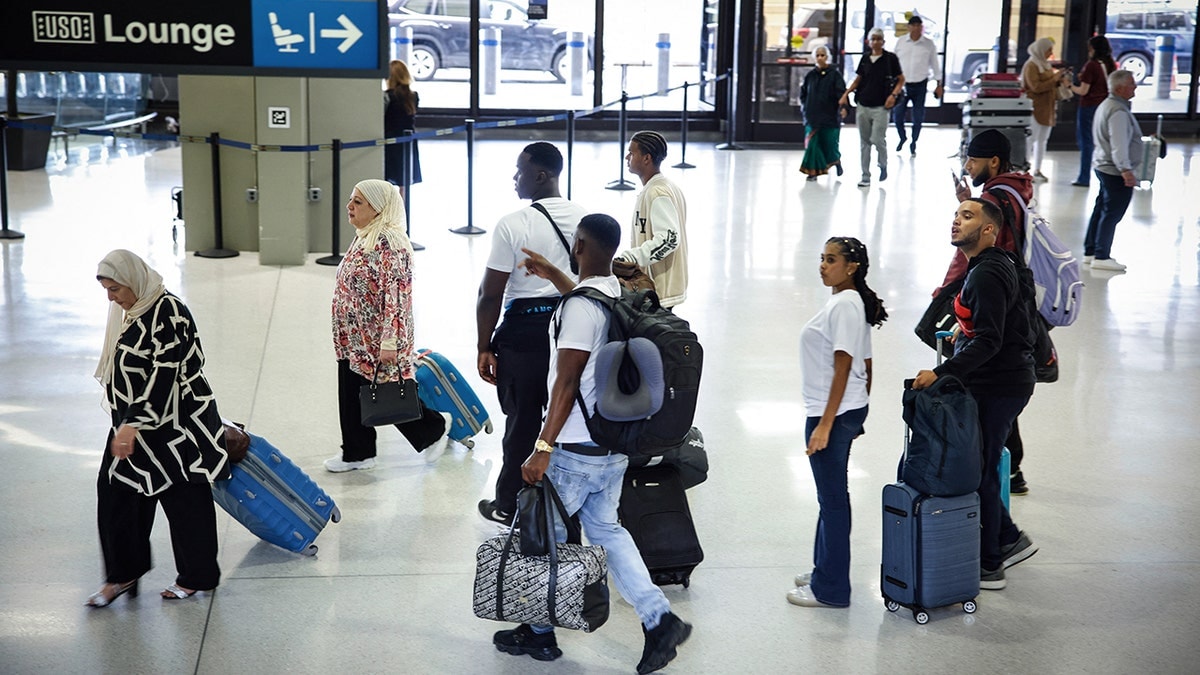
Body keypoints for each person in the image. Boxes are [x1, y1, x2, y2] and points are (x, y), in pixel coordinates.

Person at [492, 214, 692, 673]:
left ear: (579, 243)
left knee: (544, 538)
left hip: (574, 450)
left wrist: (542, 447)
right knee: (606, 533)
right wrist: (555, 274)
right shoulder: (615, 291)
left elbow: (564, 384)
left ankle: (540, 633)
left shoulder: (579, 309)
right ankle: (660, 620)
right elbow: (587, 304)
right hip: (613, 446)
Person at [90, 249, 230, 606]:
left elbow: (164, 375)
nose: (112, 298)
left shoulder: (169, 312)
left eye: (116, 289)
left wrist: (133, 424)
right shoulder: (128, 314)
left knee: (185, 502)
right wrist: (127, 423)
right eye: (107, 290)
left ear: (135, 280)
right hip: (132, 426)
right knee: (116, 496)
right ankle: (122, 575)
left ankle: (197, 577)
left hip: (176, 428)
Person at [913, 199, 1039, 590]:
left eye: (967, 217)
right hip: (1006, 379)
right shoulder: (996, 264)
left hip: (1000, 384)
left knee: (981, 471)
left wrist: (941, 373)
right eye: (956, 215)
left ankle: (991, 562)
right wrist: (961, 333)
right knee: (981, 466)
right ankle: (1007, 539)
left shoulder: (985, 274)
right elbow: (1004, 322)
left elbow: (990, 338)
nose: (956, 221)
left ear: (989, 230)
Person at [475, 142, 588, 525]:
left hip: (523, 331)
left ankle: (510, 503)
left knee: (522, 419)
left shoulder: (514, 223)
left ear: (541, 175)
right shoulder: (584, 220)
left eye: (520, 170)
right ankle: (566, 504)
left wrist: (483, 346)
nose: (515, 177)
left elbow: (490, 293)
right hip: (572, 328)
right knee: (569, 414)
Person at [788, 237, 887, 608]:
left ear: (852, 267)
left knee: (832, 501)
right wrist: (860, 408)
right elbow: (868, 364)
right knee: (830, 498)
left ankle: (830, 590)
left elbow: (845, 364)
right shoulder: (847, 301)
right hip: (847, 409)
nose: (823, 265)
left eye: (831, 260)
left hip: (832, 411)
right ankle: (823, 570)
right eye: (821, 258)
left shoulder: (845, 305)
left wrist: (827, 424)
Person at [326, 179, 451, 473]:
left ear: (378, 208)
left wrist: (389, 343)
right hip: (354, 336)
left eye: (358, 202)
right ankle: (358, 453)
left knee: (385, 394)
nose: (350, 207)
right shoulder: (366, 235)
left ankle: (434, 427)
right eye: (351, 200)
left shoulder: (390, 244)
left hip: (380, 338)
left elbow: (397, 297)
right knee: (352, 391)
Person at [944, 129, 1037, 496]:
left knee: (997, 381)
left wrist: (941, 373)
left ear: (993, 161)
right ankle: (1010, 469)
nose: (968, 166)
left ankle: (1008, 478)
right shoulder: (1017, 188)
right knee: (996, 391)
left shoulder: (994, 204)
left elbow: (989, 341)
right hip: (1009, 292)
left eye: (973, 160)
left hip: (997, 294)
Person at [617, 130, 689, 309]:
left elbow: (669, 238)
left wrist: (631, 257)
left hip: (660, 289)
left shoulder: (657, 192)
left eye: (632, 153)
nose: (627, 157)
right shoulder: (663, 187)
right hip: (658, 288)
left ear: (646, 158)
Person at [1084, 69, 1143, 273]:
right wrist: (1126, 170)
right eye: (1131, 84)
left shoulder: (1107, 105)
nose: (1135, 87)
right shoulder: (1117, 111)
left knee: (1101, 209)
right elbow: (1119, 144)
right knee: (1112, 213)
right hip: (1114, 170)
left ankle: (1090, 251)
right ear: (1119, 88)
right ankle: (1102, 255)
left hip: (1103, 165)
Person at [838, 28, 904, 188]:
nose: (876, 42)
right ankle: (865, 175)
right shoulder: (865, 59)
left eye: (878, 39)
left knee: (877, 139)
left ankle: (883, 164)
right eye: (873, 39)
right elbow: (858, 79)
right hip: (863, 104)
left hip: (881, 106)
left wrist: (893, 95)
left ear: (883, 41)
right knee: (864, 142)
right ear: (868, 41)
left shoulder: (890, 59)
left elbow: (901, 79)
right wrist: (846, 93)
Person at [1020, 38, 1071, 182]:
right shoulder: (1031, 65)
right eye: (1048, 50)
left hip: (1048, 107)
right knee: (1031, 139)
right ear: (1040, 50)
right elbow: (1035, 87)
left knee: (1042, 141)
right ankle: (1025, 171)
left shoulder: (1045, 65)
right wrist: (1055, 78)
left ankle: (1037, 170)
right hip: (1034, 107)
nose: (1050, 53)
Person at [892, 15, 943, 157]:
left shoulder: (929, 44)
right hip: (902, 84)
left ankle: (914, 141)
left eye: (918, 26)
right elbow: (894, 63)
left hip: (920, 84)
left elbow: (935, 64)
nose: (916, 28)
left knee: (918, 116)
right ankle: (902, 137)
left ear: (922, 28)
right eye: (913, 25)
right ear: (909, 27)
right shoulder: (901, 42)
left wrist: (939, 84)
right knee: (897, 115)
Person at [1070, 37, 1117, 187]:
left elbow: (1083, 90)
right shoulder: (1110, 64)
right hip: (1104, 106)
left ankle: (1084, 177)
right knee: (1103, 140)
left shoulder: (1091, 65)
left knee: (1086, 142)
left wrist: (1068, 85)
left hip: (1089, 106)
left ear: (1093, 49)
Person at [799, 45, 847, 181]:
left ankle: (836, 161)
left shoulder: (834, 75)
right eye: (818, 55)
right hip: (812, 116)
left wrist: (843, 108)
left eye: (823, 55)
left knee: (829, 144)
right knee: (813, 144)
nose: (820, 58)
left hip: (829, 116)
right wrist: (804, 107)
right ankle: (812, 172)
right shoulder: (810, 75)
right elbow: (803, 94)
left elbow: (841, 93)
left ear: (827, 57)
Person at [384, 60, 422, 198]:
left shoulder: (387, 96)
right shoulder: (413, 96)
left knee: (386, 177)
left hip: (390, 140)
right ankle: (402, 211)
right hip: (408, 140)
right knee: (403, 179)